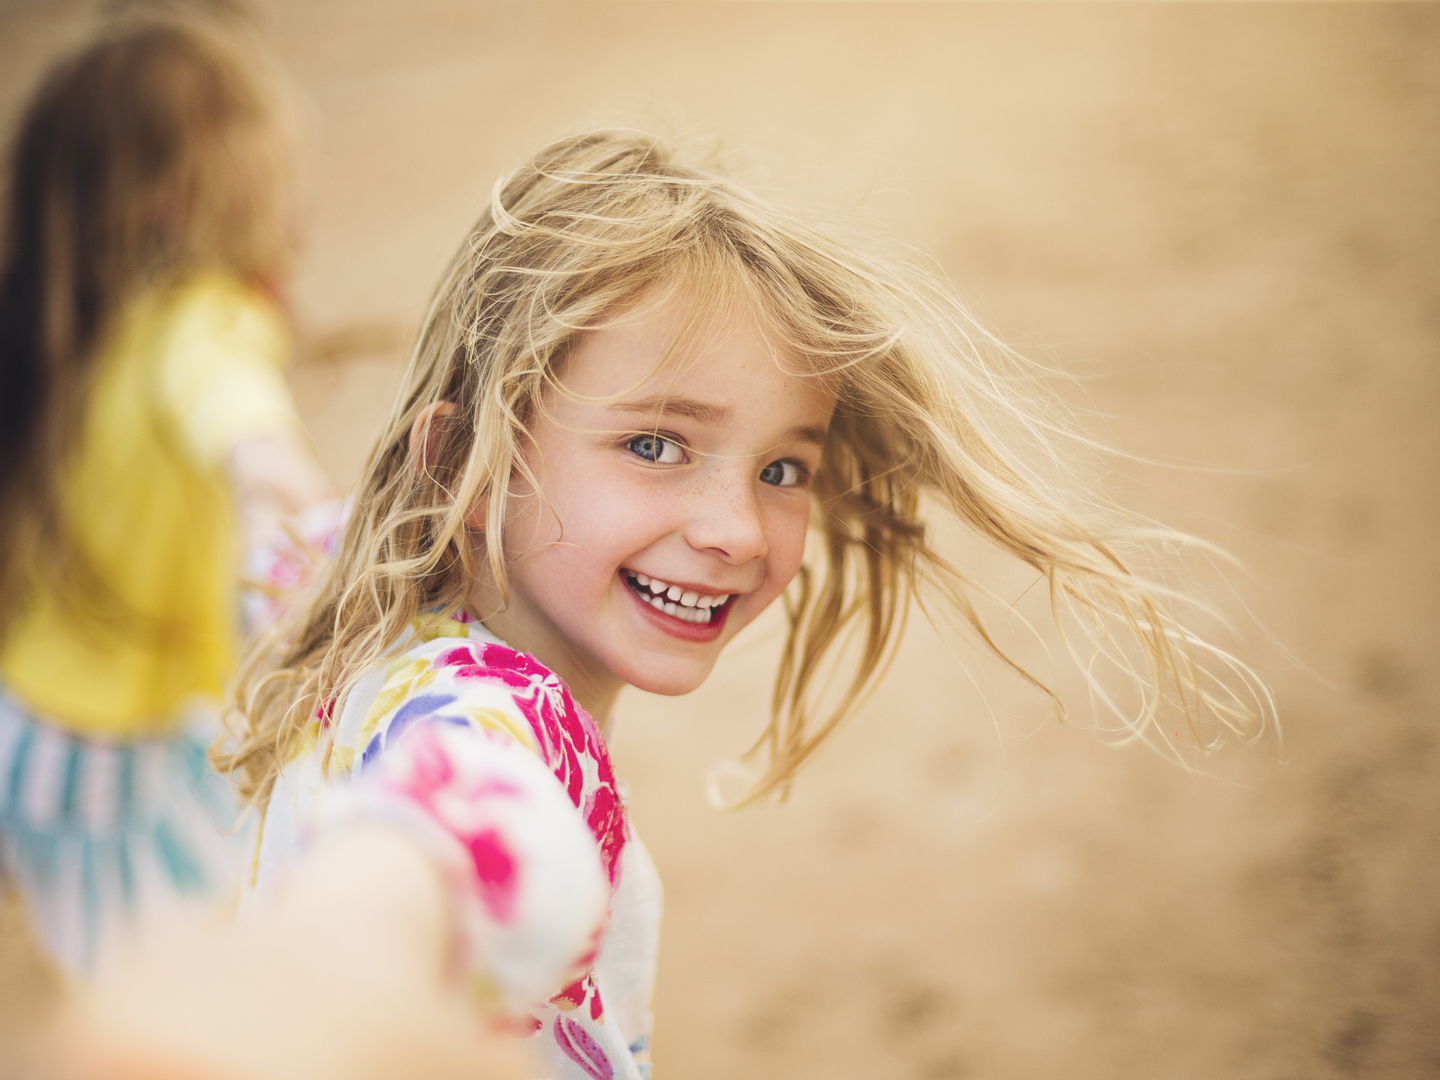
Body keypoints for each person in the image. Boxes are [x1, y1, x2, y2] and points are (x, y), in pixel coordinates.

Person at [51, 130, 1269, 1080]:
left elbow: (286, 528)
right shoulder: (497, 724)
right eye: (655, 445)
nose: (739, 530)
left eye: (782, 467)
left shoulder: (356, 607)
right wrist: (343, 951)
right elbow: (466, 828)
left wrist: (253, 450)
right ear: (459, 466)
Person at [0, 18, 332, 977]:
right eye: (281, 181)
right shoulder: (203, 321)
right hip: (102, 754)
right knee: (175, 979)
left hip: (71, 723)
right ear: (188, 200)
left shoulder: (87, 324)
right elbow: (229, 407)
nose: (301, 211)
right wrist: (289, 489)